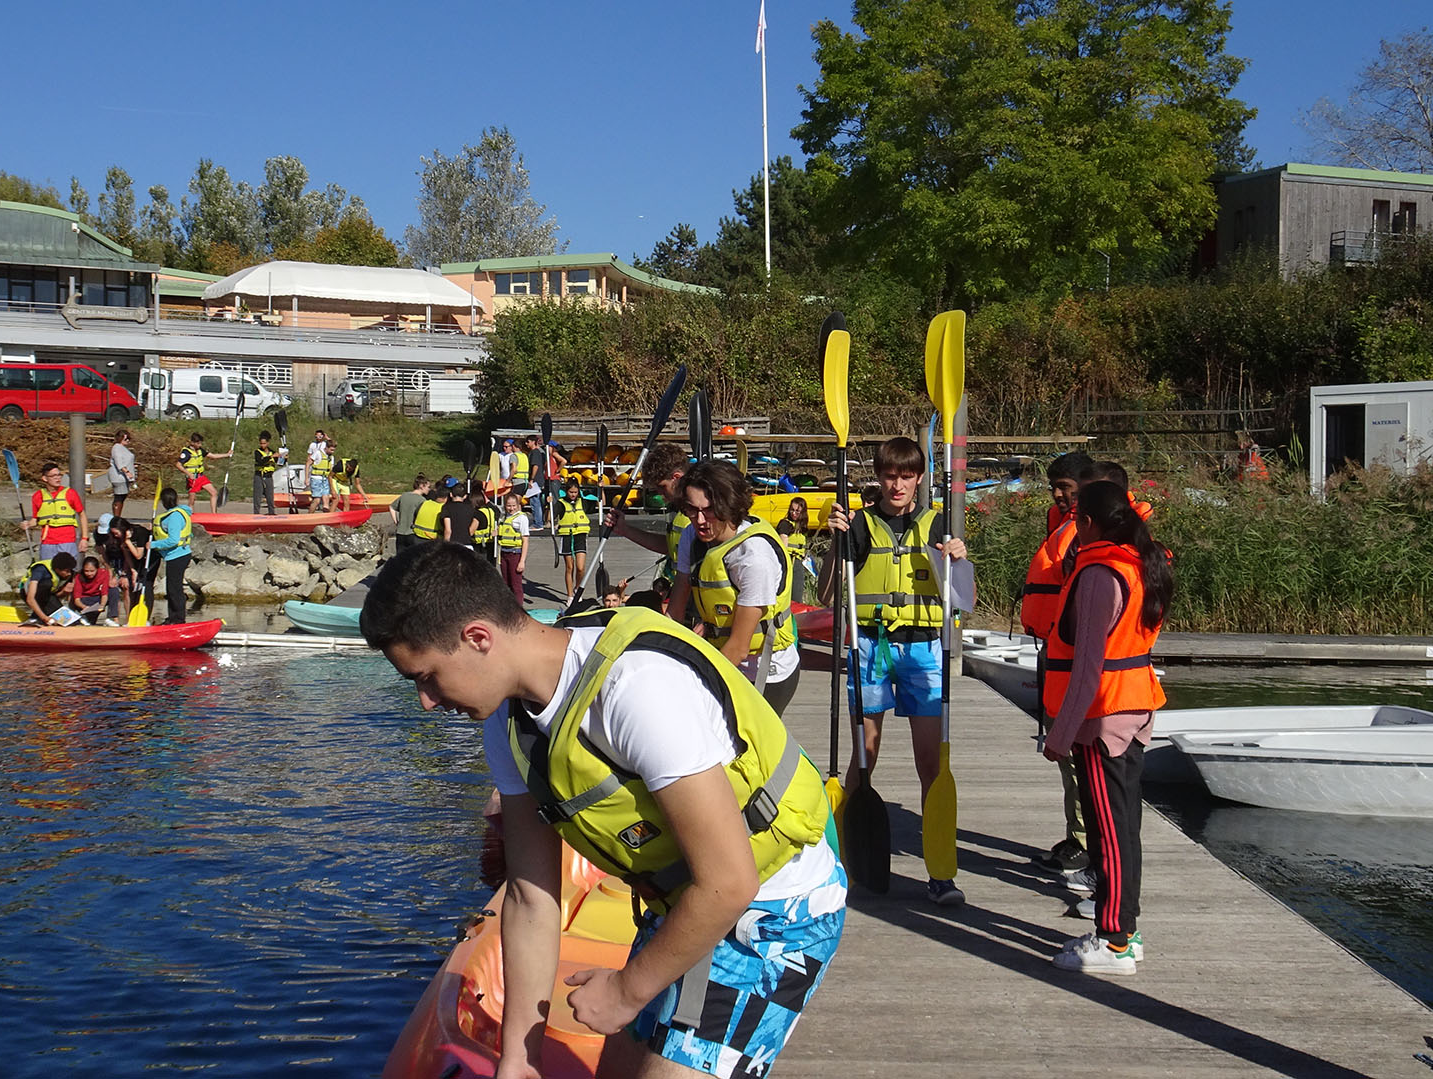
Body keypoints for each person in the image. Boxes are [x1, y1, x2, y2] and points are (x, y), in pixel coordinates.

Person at [357, 544, 846, 1077]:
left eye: (427, 677)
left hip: (775, 908)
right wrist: (521, 1057)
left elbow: (730, 883)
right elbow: (528, 893)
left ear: (478, 638)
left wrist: (625, 990)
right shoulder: (509, 720)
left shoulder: (636, 689)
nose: (427, 701)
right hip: (681, 902)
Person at [823, 436, 975, 907]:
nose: (897, 485)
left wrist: (959, 560)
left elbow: (964, 600)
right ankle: (844, 860)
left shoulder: (937, 526)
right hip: (873, 645)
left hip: (923, 650)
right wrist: (834, 543)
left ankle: (940, 871)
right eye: (890, 475)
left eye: (907, 476)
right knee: (865, 754)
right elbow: (830, 593)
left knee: (931, 762)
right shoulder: (858, 526)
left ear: (919, 479)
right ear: (879, 476)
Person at [1041, 480, 1171, 976]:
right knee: (1122, 825)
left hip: (1103, 718)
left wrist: (1060, 733)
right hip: (1131, 708)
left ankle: (1114, 940)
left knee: (1109, 831)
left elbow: (1088, 665)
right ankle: (1126, 932)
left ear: (1089, 522)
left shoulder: (1099, 574)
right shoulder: (1138, 563)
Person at [1020, 451, 1093, 877]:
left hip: (1075, 662)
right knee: (1067, 758)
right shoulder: (1066, 526)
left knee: (1079, 756)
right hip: (1055, 653)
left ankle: (1085, 843)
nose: (1058, 496)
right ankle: (1075, 836)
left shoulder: (1089, 533)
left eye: (1065, 488)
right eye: (1055, 488)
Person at [682, 460, 803, 716]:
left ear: (730, 504)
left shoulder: (753, 558)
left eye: (710, 510)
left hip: (766, 673)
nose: (700, 520)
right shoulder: (699, 539)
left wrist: (694, 687)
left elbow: (738, 646)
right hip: (729, 662)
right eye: (692, 510)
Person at [611, 443, 696, 615]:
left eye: (662, 487)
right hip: (681, 598)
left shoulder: (699, 515)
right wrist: (625, 530)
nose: (660, 495)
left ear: (677, 477)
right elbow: (669, 546)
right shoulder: (679, 510)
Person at [146, 487, 194, 624]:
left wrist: (154, 545)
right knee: (172, 588)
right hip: (175, 555)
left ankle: (178, 619)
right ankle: (173, 617)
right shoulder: (173, 514)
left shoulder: (174, 517)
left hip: (178, 555)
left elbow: (173, 540)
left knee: (174, 589)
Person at [23, 461, 87, 564]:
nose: (58, 478)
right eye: (53, 476)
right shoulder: (38, 496)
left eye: (59, 475)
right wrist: (28, 524)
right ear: (45, 478)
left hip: (67, 540)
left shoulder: (70, 493)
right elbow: (35, 520)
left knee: (68, 572)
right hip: (47, 541)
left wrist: (84, 538)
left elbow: (82, 515)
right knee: (48, 572)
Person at [19, 551, 78, 626]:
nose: (69, 573)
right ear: (57, 569)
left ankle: (37, 617)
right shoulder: (40, 570)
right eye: (67, 571)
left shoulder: (69, 574)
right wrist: (45, 618)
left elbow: (56, 596)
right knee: (47, 584)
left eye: (70, 570)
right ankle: (36, 618)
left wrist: (64, 592)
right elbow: (30, 599)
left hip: (48, 596)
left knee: (69, 621)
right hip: (28, 593)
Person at [556, 479, 592, 600]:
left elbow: (601, 503)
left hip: (580, 536)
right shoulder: (561, 503)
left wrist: (601, 489)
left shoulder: (583, 502)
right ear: (566, 491)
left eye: (575, 492)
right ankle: (570, 595)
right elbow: (549, 516)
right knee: (569, 567)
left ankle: (577, 588)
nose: (573, 494)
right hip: (567, 536)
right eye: (571, 492)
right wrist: (549, 505)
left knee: (580, 567)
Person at [178, 433, 229, 514]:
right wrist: (188, 473)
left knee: (214, 493)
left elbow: (213, 456)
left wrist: (227, 454)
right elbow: (178, 465)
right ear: (192, 442)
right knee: (192, 500)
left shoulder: (200, 450)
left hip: (201, 476)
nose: (200, 445)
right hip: (192, 478)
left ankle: (214, 514)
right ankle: (191, 517)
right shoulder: (186, 452)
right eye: (198, 443)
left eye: (200, 443)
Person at [495, 491, 530, 604]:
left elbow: (525, 540)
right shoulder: (504, 517)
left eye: (514, 505)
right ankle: (508, 610)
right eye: (509, 505)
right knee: (506, 584)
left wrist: (522, 561)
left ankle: (519, 610)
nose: (511, 508)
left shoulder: (521, 518)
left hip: (515, 554)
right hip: (504, 553)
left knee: (516, 585)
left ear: (518, 505)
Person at [390, 474, 431, 558]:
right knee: (412, 558)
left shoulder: (404, 495)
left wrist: (396, 521)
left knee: (400, 558)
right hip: (412, 533)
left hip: (400, 532)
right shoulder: (422, 500)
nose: (429, 489)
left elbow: (391, 507)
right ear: (421, 486)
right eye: (428, 487)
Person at [251, 430, 284, 516]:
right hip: (259, 476)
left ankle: (271, 513)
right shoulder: (257, 452)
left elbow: (280, 463)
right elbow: (261, 461)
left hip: (269, 476)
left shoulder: (272, 452)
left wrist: (283, 457)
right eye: (261, 443)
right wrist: (271, 456)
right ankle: (256, 514)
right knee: (257, 496)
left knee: (270, 496)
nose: (262, 445)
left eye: (264, 443)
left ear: (268, 443)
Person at [72, 554, 113, 624]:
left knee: (113, 591)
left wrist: (102, 605)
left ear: (97, 569)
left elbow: (104, 593)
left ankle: (113, 618)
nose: (89, 573)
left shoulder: (104, 573)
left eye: (92, 571)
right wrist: (84, 607)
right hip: (85, 600)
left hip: (98, 598)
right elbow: (77, 599)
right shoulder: (78, 577)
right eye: (86, 571)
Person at [107, 428, 138, 519]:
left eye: (129, 438)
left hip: (125, 477)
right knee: (119, 496)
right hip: (119, 477)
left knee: (122, 496)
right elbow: (119, 462)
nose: (128, 441)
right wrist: (127, 472)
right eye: (125, 439)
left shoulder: (123, 448)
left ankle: (117, 517)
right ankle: (116, 518)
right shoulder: (116, 448)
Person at [440, 478, 478, 546]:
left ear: (451, 494)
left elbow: (448, 530)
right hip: (467, 544)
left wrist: (445, 545)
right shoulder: (470, 508)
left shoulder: (446, 508)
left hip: (453, 544)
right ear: (465, 496)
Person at [413, 479, 448, 544]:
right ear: (446, 498)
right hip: (433, 539)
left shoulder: (425, 503)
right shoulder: (443, 508)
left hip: (417, 536)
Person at [469, 486, 499, 560]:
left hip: (480, 546)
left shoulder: (478, 514)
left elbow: (471, 532)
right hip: (491, 543)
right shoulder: (491, 510)